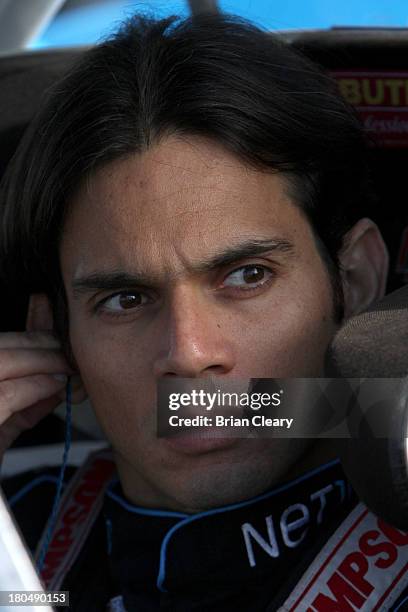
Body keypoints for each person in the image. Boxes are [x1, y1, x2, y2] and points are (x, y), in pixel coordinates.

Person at [0, 11, 406, 611]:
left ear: (357, 279)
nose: (190, 354)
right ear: (57, 337)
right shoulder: (22, 526)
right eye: (126, 300)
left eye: (248, 277)